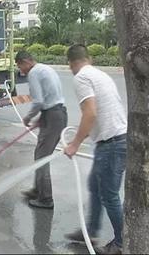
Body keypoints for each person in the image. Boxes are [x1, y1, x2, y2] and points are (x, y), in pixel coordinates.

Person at [64, 44, 127, 255]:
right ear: (88, 58)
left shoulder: (81, 77)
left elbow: (90, 113)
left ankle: (121, 243)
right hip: (115, 140)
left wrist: (74, 144)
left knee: (109, 196)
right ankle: (90, 231)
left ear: (72, 63)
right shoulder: (99, 74)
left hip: (111, 143)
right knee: (95, 186)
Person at [15, 50, 67, 209]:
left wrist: (28, 117)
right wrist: (41, 118)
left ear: (25, 62)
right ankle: (38, 190)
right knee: (40, 154)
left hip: (52, 116)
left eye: (20, 66)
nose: (21, 71)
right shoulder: (45, 68)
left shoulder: (33, 73)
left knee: (42, 158)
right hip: (57, 113)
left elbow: (38, 101)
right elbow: (49, 98)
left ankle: (45, 199)